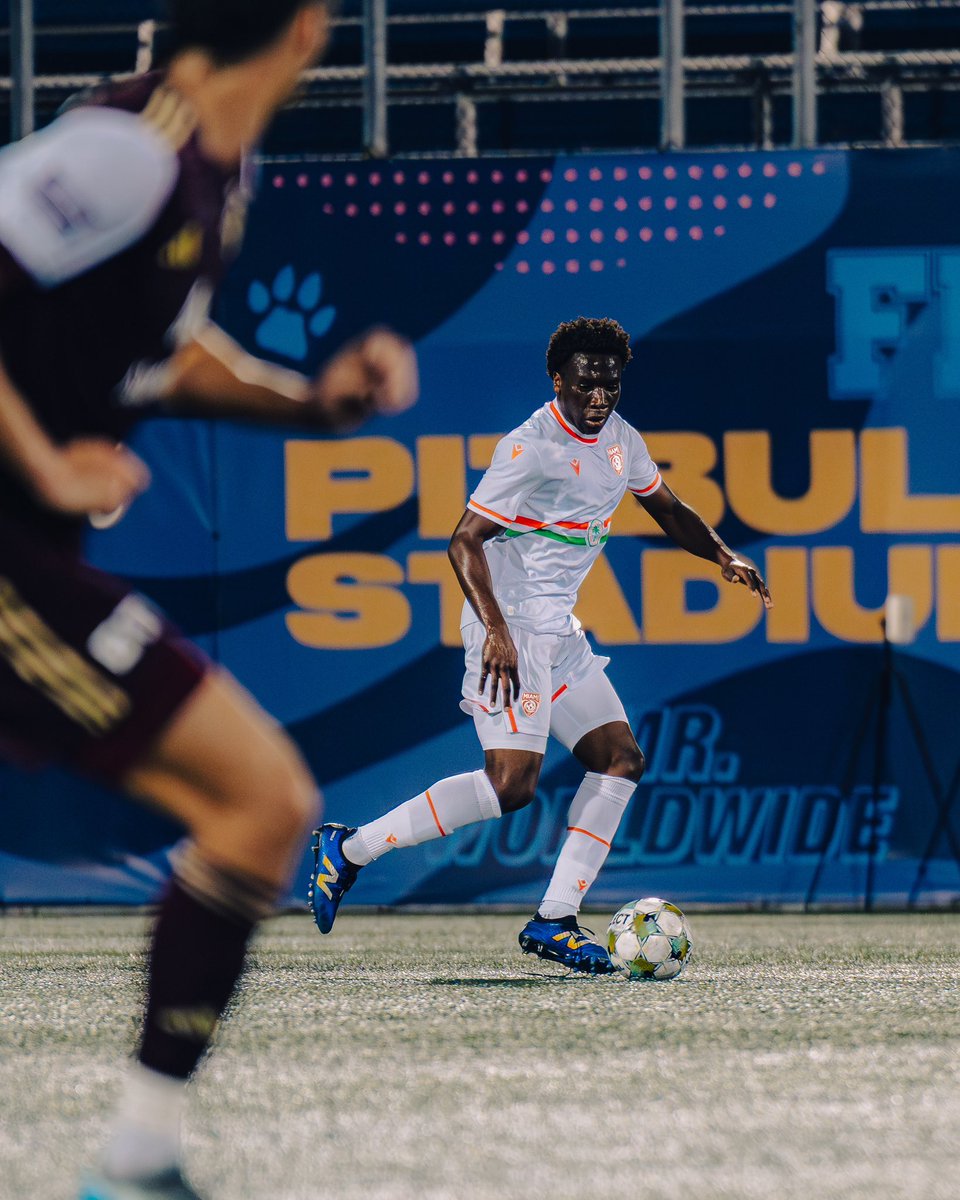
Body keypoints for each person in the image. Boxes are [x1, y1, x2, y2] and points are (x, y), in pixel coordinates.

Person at [0, 3, 418, 1198]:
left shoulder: (209, 165)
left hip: (33, 550)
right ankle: (137, 1164)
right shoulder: (129, 150)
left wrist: (313, 402)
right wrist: (47, 465)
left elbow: (170, 355)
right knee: (262, 798)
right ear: (306, 28)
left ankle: (139, 1159)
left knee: (261, 807)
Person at [309, 316, 770, 973]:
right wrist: (496, 631)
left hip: (558, 632)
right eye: (586, 383)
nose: (599, 397)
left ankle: (555, 919)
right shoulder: (530, 447)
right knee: (511, 786)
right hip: (509, 626)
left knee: (620, 759)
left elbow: (666, 508)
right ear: (559, 380)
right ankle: (350, 850)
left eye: (611, 385)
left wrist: (723, 555)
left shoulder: (622, 441)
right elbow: (462, 541)